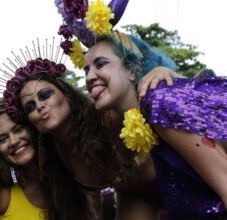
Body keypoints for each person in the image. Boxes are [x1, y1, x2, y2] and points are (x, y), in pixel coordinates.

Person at [2, 39, 182, 219]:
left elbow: (141, 89)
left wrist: (162, 71)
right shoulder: (51, 156)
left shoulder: (107, 115)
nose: (39, 106)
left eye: (45, 95)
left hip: (179, 182)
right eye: (30, 107)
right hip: (137, 198)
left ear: (67, 96)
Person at [84, 30, 227, 219]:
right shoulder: (129, 121)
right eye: (86, 70)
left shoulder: (159, 100)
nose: (89, 77)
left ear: (134, 69)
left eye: (100, 64)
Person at [0, 103, 92, 220]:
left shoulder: (69, 178)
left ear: (34, 129)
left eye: (18, 129)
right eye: (3, 139)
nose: (13, 141)